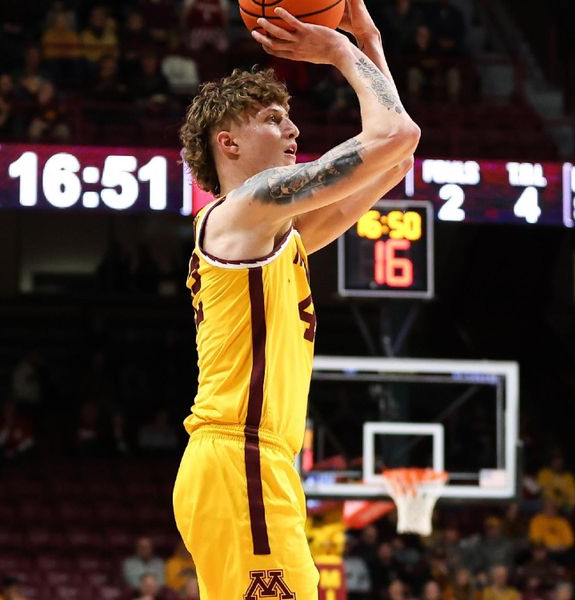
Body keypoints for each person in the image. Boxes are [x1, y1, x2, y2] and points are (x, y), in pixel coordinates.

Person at [172, 0, 420, 596]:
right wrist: (339, 50)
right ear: (228, 143)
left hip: (256, 465)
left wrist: (369, 39)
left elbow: (396, 158)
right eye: (274, 118)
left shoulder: (279, 235)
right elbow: (394, 134)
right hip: (240, 460)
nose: (294, 131)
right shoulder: (243, 208)